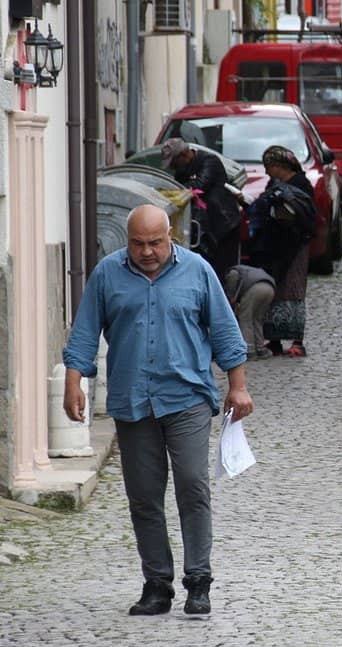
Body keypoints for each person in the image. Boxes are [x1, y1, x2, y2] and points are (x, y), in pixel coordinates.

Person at [62, 204, 253, 617]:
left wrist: (238, 387)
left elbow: (224, 330)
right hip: (133, 401)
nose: (147, 252)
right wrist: (73, 382)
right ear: (127, 241)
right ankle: (157, 584)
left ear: (171, 237)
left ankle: (198, 581)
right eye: (138, 244)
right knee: (144, 497)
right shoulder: (108, 275)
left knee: (192, 485)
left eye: (155, 242)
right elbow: (84, 331)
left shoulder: (198, 271)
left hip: (186, 397)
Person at [247, 145, 317, 358]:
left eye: (269, 167)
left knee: (293, 290)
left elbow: (305, 216)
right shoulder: (274, 184)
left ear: (279, 166)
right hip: (274, 245)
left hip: (294, 246)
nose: (267, 172)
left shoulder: (301, 185)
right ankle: (275, 340)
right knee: (274, 289)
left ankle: (297, 340)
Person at [161, 137, 242, 284]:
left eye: (173, 162)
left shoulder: (209, 161)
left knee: (223, 270)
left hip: (224, 224)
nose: (172, 166)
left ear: (184, 155)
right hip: (205, 227)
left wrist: (181, 189)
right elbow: (178, 187)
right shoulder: (182, 169)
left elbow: (198, 186)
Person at [224, 264, 276, 361]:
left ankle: (249, 349)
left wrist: (231, 297)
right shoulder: (248, 270)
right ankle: (260, 348)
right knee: (258, 319)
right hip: (270, 287)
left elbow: (232, 287)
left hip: (254, 289)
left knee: (245, 319)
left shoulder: (233, 271)